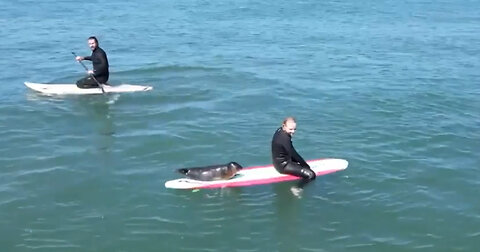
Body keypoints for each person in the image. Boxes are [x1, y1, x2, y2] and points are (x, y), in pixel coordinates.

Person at [271, 117, 316, 197]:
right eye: (291, 129)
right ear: (284, 126)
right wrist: (305, 165)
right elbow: (293, 154)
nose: (293, 132)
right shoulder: (285, 138)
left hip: (277, 162)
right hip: (283, 166)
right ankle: (297, 187)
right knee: (311, 175)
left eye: (295, 129)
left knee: (301, 166)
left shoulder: (279, 131)